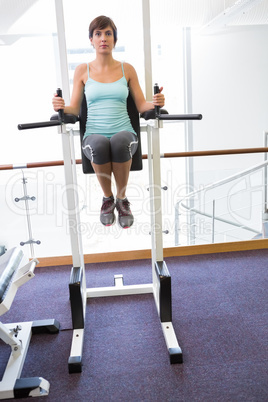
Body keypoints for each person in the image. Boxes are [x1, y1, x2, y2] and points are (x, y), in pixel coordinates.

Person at [53, 15, 165, 229]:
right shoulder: (82, 70)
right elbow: (74, 109)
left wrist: (157, 102)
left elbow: (142, 105)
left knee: (119, 141)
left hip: (125, 132)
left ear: (114, 39)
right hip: (93, 135)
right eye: (98, 34)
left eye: (108, 33)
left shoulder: (127, 69)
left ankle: (122, 200)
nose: (103, 38)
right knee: (99, 144)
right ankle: (108, 199)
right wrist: (60, 105)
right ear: (91, 40)